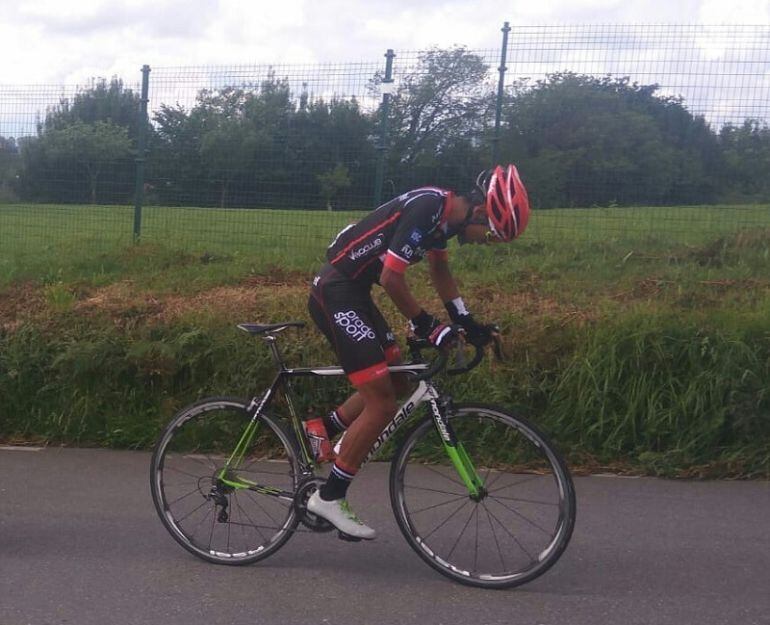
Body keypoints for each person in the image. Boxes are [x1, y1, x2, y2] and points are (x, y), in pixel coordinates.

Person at [306, 164, 531, 539]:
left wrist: (467, 322)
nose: (484, 243)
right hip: (336, 291)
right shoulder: (428, 208)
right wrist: (430, 326)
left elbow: (440, 273)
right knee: (381, 403)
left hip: (355, 293)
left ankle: (323, 429)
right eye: (491, 236)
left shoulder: (443, 218)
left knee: (397, 376)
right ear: (479, 213)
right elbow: (392, 278)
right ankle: (329, 497)